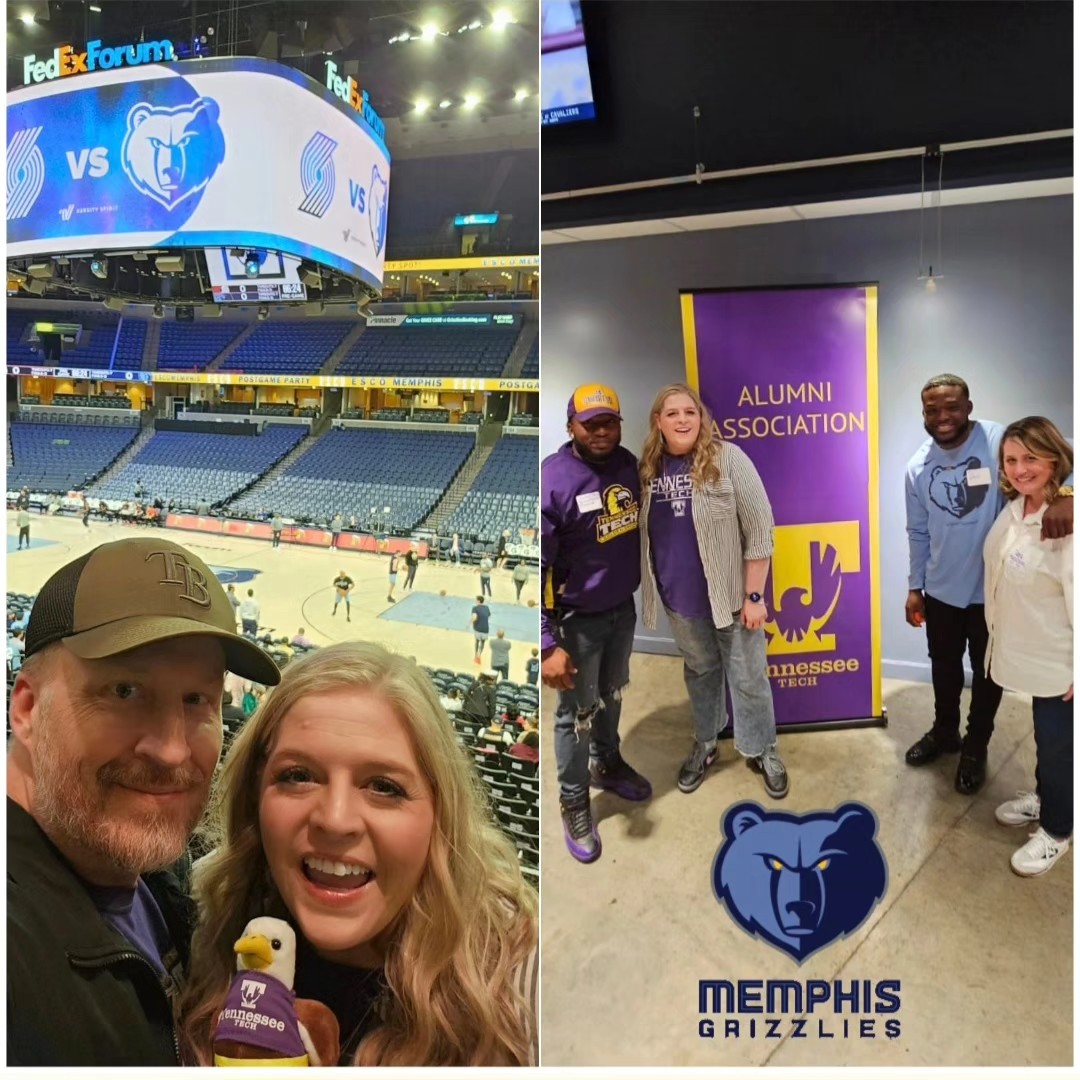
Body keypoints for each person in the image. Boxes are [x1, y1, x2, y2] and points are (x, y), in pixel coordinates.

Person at [177, 643, 537, 1066]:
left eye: (384, 786)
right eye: (298, 775)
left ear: (440, 814)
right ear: (255, 794)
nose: (335, 820)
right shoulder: (193, 923)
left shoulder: (524, 989)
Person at [7, 536, 280, 1066]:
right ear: (28, 707)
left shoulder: (152, 868)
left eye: (198, 699)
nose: (173, 750)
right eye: (125, 691)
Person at [904, 375, 1073, 795]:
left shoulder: (998, 439)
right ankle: (945, 733)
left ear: (968, 406)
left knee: (987, 676)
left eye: (952, 407)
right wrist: (914, 586)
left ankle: (975, 747)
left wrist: (1069, 494)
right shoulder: (916, 467)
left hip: (994, 597)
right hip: (941, 592)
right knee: (943, 669)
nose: (943, 417)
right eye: (932, 410)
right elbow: (918, 532)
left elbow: (1050, 458)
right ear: (924, 413)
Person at [638, 383, 788, 798]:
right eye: (672, 413)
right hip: (681, 602)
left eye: (690, 412)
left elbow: (760, 528)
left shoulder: (728, 459)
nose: (683, 419)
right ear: (658, 422)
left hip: (733, 601)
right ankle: (706, 743)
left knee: (748, 677)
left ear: (700, 418)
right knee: (701, 675)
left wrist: (755, 596)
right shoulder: (647, 470)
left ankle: (763, 748)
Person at [541, 383, 652, 865]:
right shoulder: (553, 480)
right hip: (576, 622)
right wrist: (547, 644)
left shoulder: (630, 466)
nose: (602, 431)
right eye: (591, 424)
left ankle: (607, 761)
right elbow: (535, 568)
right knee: (574, 714)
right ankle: (573, 800)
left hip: (620, 609)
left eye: (609, 421)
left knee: (612, 695)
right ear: (572, 427)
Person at [984, 417, 1073, 876]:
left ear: (1055, 457)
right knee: (1046, 736)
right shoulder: (1018, 507)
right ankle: (1046, 798)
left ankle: (1059, 830)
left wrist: (1070, 494)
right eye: (1011, 459)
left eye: (1031, 458)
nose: (1020, 469)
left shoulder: (1068, 521)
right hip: (1028, 650)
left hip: (1060, 661)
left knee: (1059, 744)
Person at [470, 595, 491, 665]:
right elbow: (488, 615)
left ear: (478, 601)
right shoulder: (487, 607)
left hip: (478, 628)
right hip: (485, 628)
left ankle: (476, 656)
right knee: (482, 643)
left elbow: (474, 617)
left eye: (476, 600)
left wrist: (471, 622)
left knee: (477, 641)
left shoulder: (475, 608)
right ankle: (479, 655)